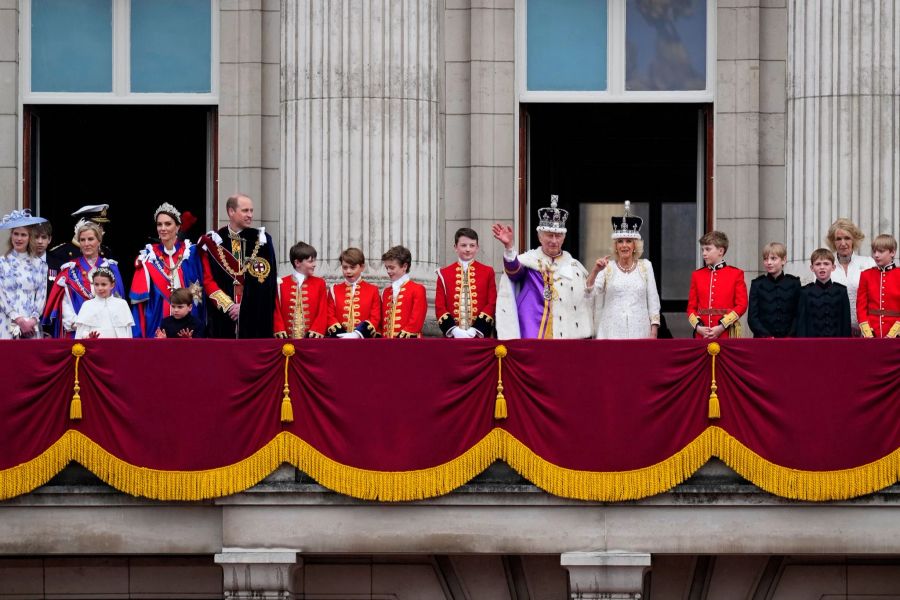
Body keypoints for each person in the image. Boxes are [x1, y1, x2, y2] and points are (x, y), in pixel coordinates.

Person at [492, 195, 593, 339]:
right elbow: (514, 272)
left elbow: (584, 302)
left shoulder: (575, 267)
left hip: (566, 335)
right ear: (540, 237)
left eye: (558, 236)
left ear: (563, 238)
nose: (553, 240)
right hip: (533, 329)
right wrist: (509, 248)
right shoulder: (529, 261)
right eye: (549, 235)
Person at [199, 194, 277, 338]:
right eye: (245, 210)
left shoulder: (262, 240)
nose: (250, 215)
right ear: (231, 212)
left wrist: (244, 306)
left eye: (251, 211)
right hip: (222, 317)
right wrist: (229, 306)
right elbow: (207, 280)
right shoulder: (214, 241)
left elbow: (267, 283)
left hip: (254, 318)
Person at [586, 201, 661, 339]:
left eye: (628, 241)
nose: (624, 245)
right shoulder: (607, 267)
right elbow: (590, 293)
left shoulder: (645, 266)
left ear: (635, 245)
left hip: (640, 332)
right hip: (611, 332)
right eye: (620, 241)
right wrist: (596, 270)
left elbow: (653, 300)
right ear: (615, 246)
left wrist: (654, 331)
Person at [130, 203, 206, 338]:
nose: (163, 228)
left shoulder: (190, 252)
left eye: (168, 224)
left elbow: (199, 287)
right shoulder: (149, 255)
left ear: (177, 227)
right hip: (158, 316)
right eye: (159, 225)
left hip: (187, 318)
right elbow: (141, 301)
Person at [43, 220, 125, 338]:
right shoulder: (69, 270)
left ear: (99, 241)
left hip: (106, 333)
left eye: (90, 239)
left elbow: (118, 301)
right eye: (82, 240)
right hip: (77, 332)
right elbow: (65, 305)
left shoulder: (111, 268)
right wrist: (82, 325)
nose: (86, 244)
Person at [435, 228, 497, 339]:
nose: (468, 249)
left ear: (477, 248)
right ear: (455, 247)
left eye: (472, 245)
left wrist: (477, 329)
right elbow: (440, 306)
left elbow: (492, 302)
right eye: (463, 245)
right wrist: (454, 330)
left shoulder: (488, 272)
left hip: (479, 337)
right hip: (452, 338)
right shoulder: (443, 274)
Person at [687, 231, 747, 339]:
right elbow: (691, 308)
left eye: (708, 249)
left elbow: (742, 305)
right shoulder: (697, 275)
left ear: (720, 251)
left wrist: (722, 326)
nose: (704, 253)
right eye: (702, 250)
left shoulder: (736, 274)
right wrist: (698, 327)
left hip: (726, 333)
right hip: (701, 334)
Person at [0, 209, 48, 339]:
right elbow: (1, 296)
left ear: (30, 237)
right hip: (6, 322)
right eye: (16, 234)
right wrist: (18, 319)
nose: (19, 238)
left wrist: (32, 320)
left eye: (23, 235)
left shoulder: (40, 265)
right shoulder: (2, 262)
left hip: (31, 325)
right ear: (11, 236)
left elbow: (41, 296)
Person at [825, 218, 876, 335]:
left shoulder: (869, 263)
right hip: (836, 331)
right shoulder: (826, 266)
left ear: (854, 240)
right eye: (838, 239)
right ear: (833, 242)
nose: (843, 243)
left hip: (867, 331)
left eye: (847, 238)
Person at [273, 241, 328, 338]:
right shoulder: (280, 283)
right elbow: (276, 309)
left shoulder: (320, 283)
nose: (314, 264)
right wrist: (279, 328)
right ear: (297, 263)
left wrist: (317, 329)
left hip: (312, 339)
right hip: (285, 339)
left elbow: (322, 309)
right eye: (310, 261)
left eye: (314, 261)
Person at [748, 242, 801, 338]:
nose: (769, 262)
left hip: (789, 340)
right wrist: (766, 336)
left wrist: (789, 336)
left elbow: (798, 314)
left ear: (784, 260)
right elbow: (752, 318)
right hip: (763, 340)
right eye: (765, 259)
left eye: (773, 258)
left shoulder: (794, 283)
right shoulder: (757, 284)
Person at [326, 247, 382, 338]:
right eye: (345, 267)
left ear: (362, 267)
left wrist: (358, 334)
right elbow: (329, 315)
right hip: (339, 341)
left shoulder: (373, 290)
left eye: (352, 267)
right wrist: (341, 334)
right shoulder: (334, 290)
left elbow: (375, 317)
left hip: (364, 341)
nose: (348, 271)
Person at [797, 248, 851, 337]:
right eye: (818, 264)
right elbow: (802, 323)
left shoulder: (841, 291)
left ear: (833, 267)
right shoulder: (805, 292)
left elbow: (845, 322)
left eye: (826, 264)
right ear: (812, 268)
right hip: (812, 344)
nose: (822, 267)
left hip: (836, 343)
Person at [857, 234, 900, 338]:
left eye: (880, 251)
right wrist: (867, 331)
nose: (876, 255)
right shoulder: (866, 275)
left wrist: (894, 332)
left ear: (892, 252)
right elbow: (861, 306)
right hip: (871, 332)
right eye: (874, 251)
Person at [73, 267, 134, 339]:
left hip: (117, 347)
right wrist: (88, 336)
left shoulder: (122, 304)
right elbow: (80, 334)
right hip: (94, 348)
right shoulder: (87, 305)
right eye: (96, 284)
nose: (100, 288)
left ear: (112, 285)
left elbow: (127, 333)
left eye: (103, 284)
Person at [381, 245, 426, 338]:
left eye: (392, 267)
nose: (388, 271)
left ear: (404, 266)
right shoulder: (386, 292)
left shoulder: (417, 289)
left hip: (409, 345)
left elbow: (416, 322)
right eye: (386, 268)